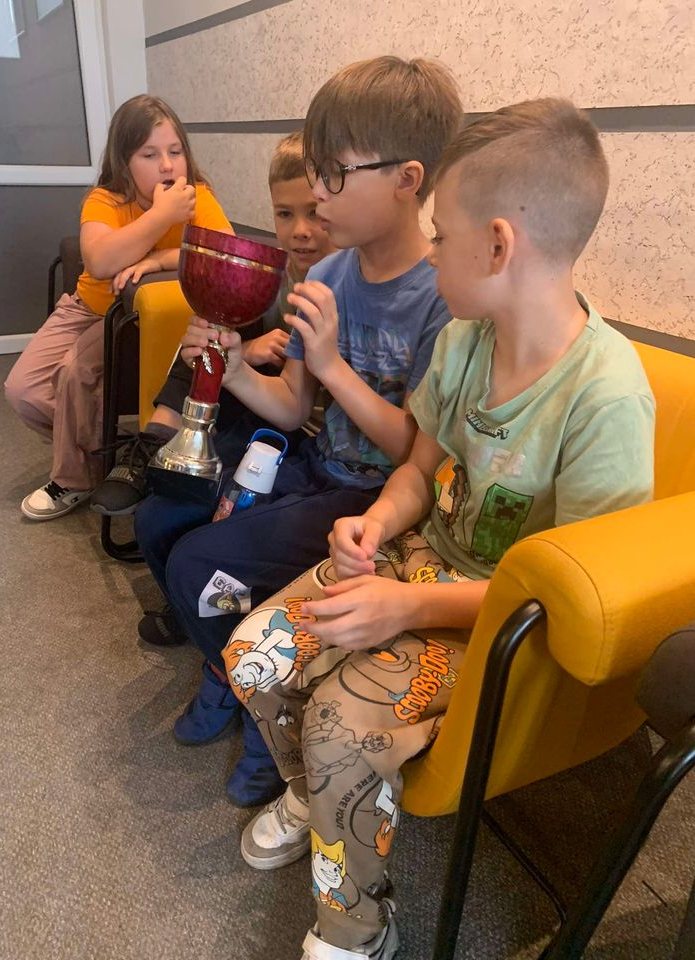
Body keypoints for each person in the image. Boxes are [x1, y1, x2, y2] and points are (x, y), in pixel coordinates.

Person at [224, 97, 656, 960]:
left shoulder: (605, 397)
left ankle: (357, 930)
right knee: (252, 655)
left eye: (441, 235)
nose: (429, 253)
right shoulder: (463, 343)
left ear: (497, 246)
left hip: (502, 622)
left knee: (338, 726)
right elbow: (419, 471)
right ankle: (315, 796)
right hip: (417, 563)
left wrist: (408, 608)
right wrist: (374, 523)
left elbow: (570, 597)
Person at [134, 56, 463, 807]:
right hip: (312, 461)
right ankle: (236, 665)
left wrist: (334, 365)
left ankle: (261, 706)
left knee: (197, 566)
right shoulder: (327, 276)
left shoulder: (442, 298)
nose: (318, 193)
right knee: (163, 518)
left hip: (372, 498)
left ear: (408, 179)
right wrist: (229, 366)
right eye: (317, 173)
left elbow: (414, 454)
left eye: (334, 174)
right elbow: (289, 406)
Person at [4, 94, 231, 521]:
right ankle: (99, 447)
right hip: (85, 307)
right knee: (24, 392)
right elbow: (100, 261)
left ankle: (75, 477)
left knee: (75, 372)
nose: (167, 165)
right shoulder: (105, 200)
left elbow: (222, 255)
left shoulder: (196, 197)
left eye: (175, 151)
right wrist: (161, 216)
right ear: (124, 162)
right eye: (150, 154)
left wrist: (157, 259)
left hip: (128, 317)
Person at [89, 130, 335, 517]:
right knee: (220, 312)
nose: (300, 230)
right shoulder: (277, 270)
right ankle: (158, 437)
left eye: (314, 213)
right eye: (285, 214)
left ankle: (163, 439)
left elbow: (301, 396)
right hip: (262, 396)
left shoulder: (337, 283)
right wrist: (154, 261)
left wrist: (244, 359)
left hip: (300, 423)